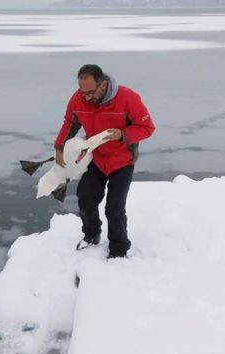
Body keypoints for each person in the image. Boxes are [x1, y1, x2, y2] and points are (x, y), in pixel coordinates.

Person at [54, 64, 155, 259]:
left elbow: (147, 127)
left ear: (103, 84)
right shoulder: (78, 98)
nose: (86, 97)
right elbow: (70, 124)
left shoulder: (127, 98)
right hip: (96, 158)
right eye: (82, 92)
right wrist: (59, 147)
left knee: (114, 207)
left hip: (122, 160)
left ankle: (118, 250)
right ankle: (92, 235)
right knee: (86, 198)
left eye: (90, 92)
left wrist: (123, 134)